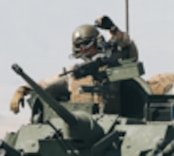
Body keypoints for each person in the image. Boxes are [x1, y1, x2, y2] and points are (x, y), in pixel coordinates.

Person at [9, 15, 137, 113]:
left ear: (97, 42)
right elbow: (45, 85)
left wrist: (113, 29)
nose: (83, 49)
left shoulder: (116, 68)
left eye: (87, 44)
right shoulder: (73, 74)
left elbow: (128, 47)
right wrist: (23, 90)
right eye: (79, 46)